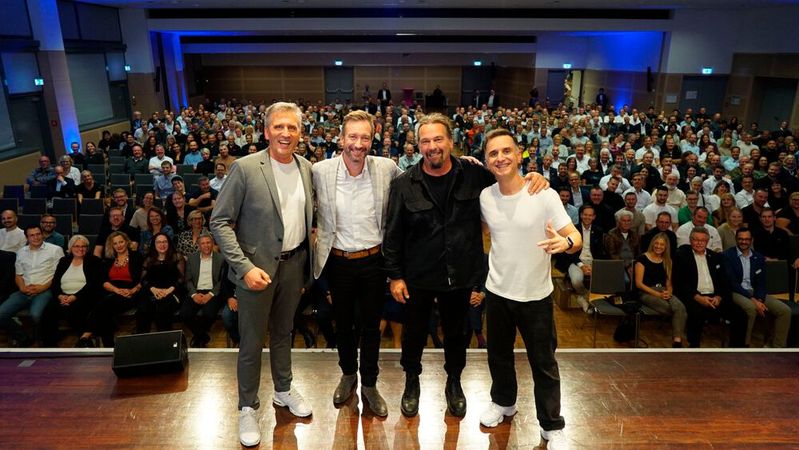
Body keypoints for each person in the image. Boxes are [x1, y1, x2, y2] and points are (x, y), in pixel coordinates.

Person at [383, 113, 547, 418]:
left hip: (459, 275)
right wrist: (395, 276)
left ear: (451, 141)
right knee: (413, 334)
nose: (432, 146)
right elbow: (392, 234)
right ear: (417, 145)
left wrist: (533, 178)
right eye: (425, 141)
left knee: (456, 334)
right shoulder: (403, 184)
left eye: (438, 139)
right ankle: (412, 381)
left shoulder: (474, 174)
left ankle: (454, 382)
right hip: (417, 275)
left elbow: (509, 183)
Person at [210, 102, 315, 447]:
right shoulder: (244, 168)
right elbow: (219, 222)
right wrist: (244, 267)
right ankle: (247, 406)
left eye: (292, 127)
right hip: (256, 271)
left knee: (284, 333)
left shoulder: (306, 167)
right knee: (252, 342)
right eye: (279, 127)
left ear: (300, 133)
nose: (286, 133)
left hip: (294, 265)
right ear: (266, 131)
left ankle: (283, 390)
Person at [477, 129, 580, 450]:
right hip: (497, 292)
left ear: (519, 153)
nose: (500, 158)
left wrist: (565, 243)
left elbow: (575, 237)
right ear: (486, 160)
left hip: (535, 296)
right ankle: (503, 402)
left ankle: (552, 424)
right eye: (493, 153)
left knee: (544, 364)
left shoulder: (543, 194)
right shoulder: (485, 197)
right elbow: (484, 230)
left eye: (506, 151)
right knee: (498, 356)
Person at [312, 110, 401, 416]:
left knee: (372, 327)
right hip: (338, 262)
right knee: (344, 324)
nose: (358, 144)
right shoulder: (320, 171)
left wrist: (461, 163)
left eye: (365, 137)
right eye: (352, 136)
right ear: (341, 139)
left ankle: (370, 384)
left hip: (374, 261)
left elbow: (418, 180)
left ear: (372, 139)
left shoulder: (386, 168)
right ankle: (349, 374)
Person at [673, 227, 746, 348]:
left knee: (740, 314)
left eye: (702, 240)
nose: (699, 243)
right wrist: (698, 297)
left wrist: (719, 296)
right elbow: (680, 283)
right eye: (696, 239)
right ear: (690, 240)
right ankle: (694, 348)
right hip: (694, 296)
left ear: (707, 242)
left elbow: (724, 282)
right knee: (697, 313)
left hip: (715, 297)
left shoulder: (716, 257)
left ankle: (736, 350)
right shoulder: (681, 256)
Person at [722, 228, 791, 348]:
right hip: (736, 291)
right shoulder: (727, 255)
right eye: (740, 239)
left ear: (751, 240)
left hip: (754, 292)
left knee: (785, 311)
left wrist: (759, 299)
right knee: (751, 307)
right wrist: (753, 300)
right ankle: (745, 345)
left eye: (747, 239)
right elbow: (732, 283)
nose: (744, 242)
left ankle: (778, 347)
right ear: (736, 239)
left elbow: (761, 283)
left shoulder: (758, 257)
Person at [0, 225, 64, 346]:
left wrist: (42, 287)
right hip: (24, 290)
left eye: (38, 234)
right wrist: (22, 288)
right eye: (32, 235)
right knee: (1, 314)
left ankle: (42, 341)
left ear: (42, 234)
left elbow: (59, 275)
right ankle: (23, 338)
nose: (36, 237)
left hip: (45, 290)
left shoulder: (55, 250)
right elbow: (18, 274)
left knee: (35, 315)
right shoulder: (21, 252)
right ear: (27, 238)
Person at [48, 235, 104, 347]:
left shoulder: (94, 261)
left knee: (73, 309)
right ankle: (50, 346)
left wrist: (75, 296)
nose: (80, 249)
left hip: (85, 296)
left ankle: (84, 340)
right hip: (63, 296)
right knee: (48, 312)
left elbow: (93, 284)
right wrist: (60, 296)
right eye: (77, 246)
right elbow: (55, 283)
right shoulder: (64, 261)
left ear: (87, 248)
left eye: (84, 246)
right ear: (70, 248)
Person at [634, 232, 687, 348]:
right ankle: (678, 339)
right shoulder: (642, 259)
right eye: (656, 243)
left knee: (680, 307)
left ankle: (677, 341)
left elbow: (669, 283)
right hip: (647, 292)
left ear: (666, 246)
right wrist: (657, 294)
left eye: (662, 244)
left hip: (663, 291)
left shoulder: (668, 261)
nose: (658, 246)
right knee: (675, 310)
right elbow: (639, 284)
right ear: (652, 244)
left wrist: (669, 292)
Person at [554, 204, 608, 313]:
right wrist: (582, 265)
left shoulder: (598, 230)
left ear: (594, 217)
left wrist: (595, 265)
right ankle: (584, 296)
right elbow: (569, 252)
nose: (587, 217)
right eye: (585, 215)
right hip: (575, 261)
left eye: (590, 215)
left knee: (604, 279)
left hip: (593, 261)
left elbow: (600, 252)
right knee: (576, 281)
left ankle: (594, 302)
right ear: (581, 215)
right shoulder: (573, 230)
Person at [98, 231, 143, 347]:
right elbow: (104, 281)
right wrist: (116, 290)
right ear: (112, 246)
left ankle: (98, 341)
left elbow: (143, 278)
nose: (119, 245)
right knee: (104, 307)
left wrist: (132, 290)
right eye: (115, 243)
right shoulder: (108, 260)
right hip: (113, 292)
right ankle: (108, 345)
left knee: (102, 308)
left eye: (121, 242)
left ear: (127, 242)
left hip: (131, 293)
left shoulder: (137, 257)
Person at [180, 233, 226, 347]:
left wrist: (210, 294)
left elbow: (222, 281)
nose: (206, 245)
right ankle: (202, 336)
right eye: (203, 243)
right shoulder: (192, 258)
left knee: (209, 314)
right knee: (185, 314)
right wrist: (194, 294)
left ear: (213, 244)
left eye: (208, 242)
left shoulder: (221, 259)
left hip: (213, 292)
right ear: (199, 245)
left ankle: (198, 338)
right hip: (196, 291)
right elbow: (188, 280)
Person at [136, 233, 184, 333]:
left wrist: (169, 290)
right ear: (154, 245)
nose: (162, 244)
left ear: (169, 243)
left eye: (164, 242)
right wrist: (153, 289)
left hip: (172, 292)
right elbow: (143, 280)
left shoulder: (177, 257)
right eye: (159, 242)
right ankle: (142, 340)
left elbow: (181, 278)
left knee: (162, 311)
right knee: (143, 310)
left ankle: (164, 340)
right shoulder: (149, 259)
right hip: (152, 292)